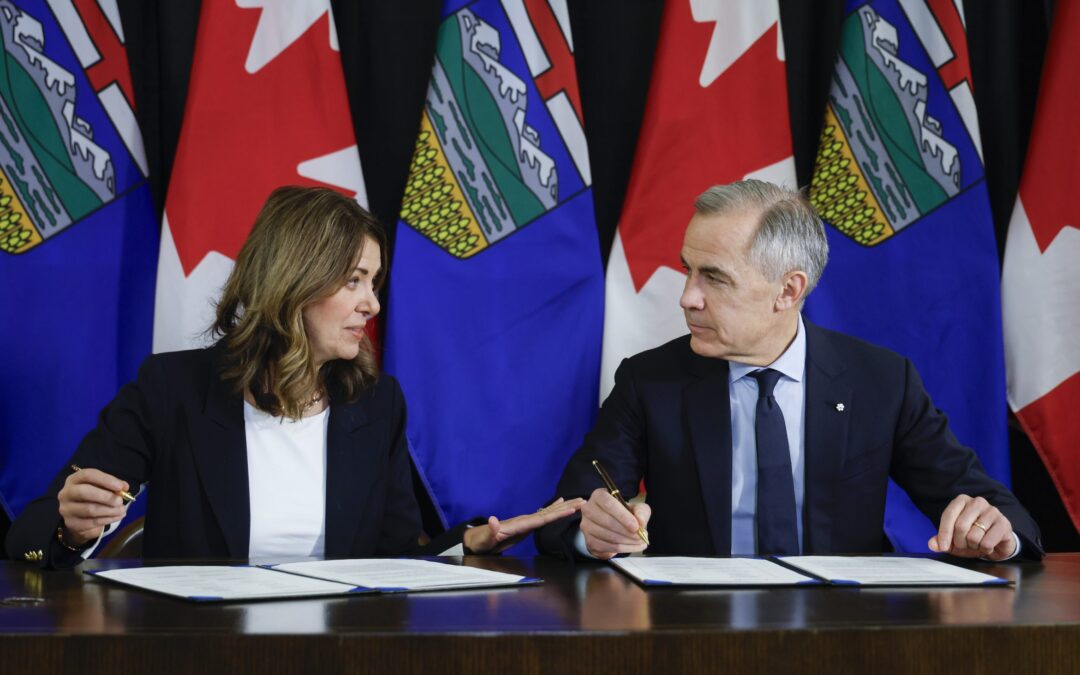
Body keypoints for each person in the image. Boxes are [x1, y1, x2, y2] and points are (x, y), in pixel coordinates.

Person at [8, 186, 581, 568]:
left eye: (374, 283)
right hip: (195, 653)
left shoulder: (376, 403)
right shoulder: (171, 389)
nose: (372, 305)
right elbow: (28, 539)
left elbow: (396, 558)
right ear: (294, 282)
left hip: (338, 653)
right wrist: (72, 528)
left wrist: (468, 543)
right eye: (354, 280)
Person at [537, 179, 1042, 562]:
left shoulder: (881, 382)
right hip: (692, 633)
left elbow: (997, 510)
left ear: (788, 290)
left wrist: (998, 533)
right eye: (688, 269)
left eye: (714, 278)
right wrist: (593, 530)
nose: (687, 297)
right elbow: (564, 514)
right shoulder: (650, 381)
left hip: (844, 634)